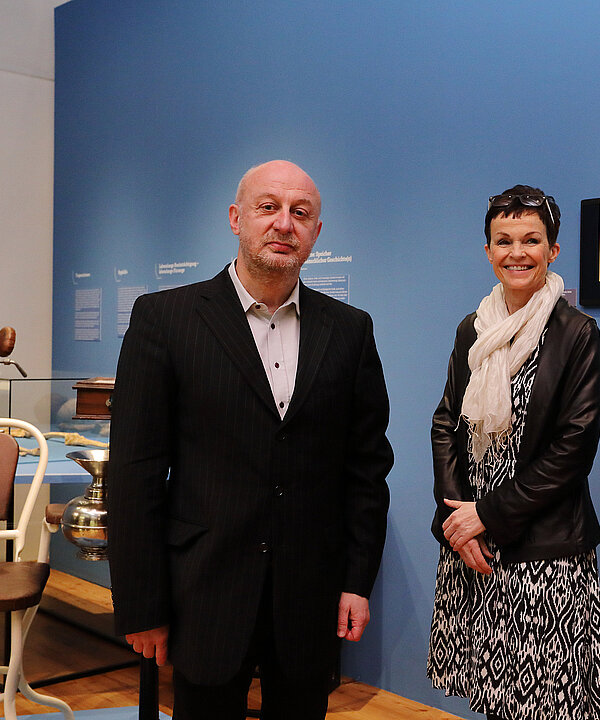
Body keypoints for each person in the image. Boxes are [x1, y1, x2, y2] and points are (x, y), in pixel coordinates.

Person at [106, 160, 393, 720]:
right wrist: (142, 604)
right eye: (269, 208)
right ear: (237, 219)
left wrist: (357, 581)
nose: (284, 223)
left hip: (309, 597)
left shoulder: (350, 330)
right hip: (205, 590)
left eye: (301, 213)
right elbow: (135, 473)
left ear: (316, 233)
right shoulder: (165, 319)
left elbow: (365, 469)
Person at [429, 186, 600, 720]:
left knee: (548, 704)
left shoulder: (577, 333)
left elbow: (573, 448)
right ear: (488, 250)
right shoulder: (473, 329)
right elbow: (446, 423)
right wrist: (458, 514)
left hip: (545, 552)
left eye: (532, 240)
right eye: (503, 240)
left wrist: (486, 515)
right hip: (476, 547)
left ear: (553, 250)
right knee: (494, 696)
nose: (517, 252)